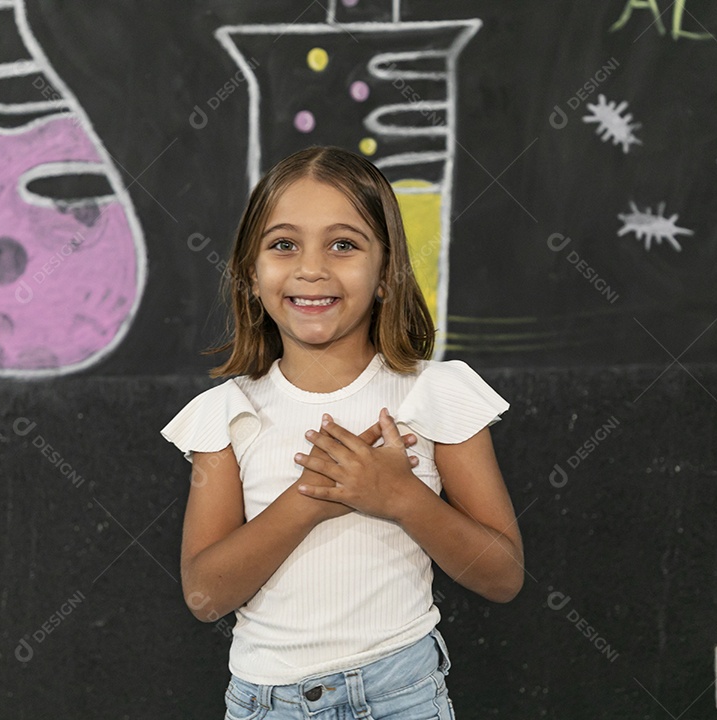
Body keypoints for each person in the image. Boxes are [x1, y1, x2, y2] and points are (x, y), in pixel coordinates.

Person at [160, 146, 524, 719]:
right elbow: (205, 595)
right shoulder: (227, 412)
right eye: (284, 244)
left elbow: (503, 576)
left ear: (386, 273)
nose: (312, 268)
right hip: (268, 703)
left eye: (344, 244)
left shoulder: (434, 393)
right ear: (252, 275)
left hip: (401, 695)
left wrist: (399, 497)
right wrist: (313, 499)